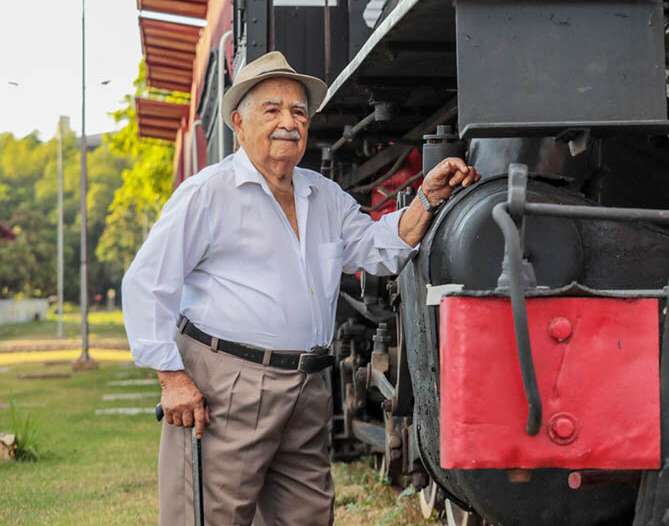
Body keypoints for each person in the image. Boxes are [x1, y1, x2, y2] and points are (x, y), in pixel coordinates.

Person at [122, 51, 479, 525]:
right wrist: (172, 378)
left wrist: (428, 199)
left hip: (307, 388)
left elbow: (378, 248)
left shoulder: (322, 195)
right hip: (227, 386)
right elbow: (147, 283)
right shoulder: (209, 193)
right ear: (238, 122)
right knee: (210, 517)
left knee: (307, 517)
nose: (288, 123)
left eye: (298, 112)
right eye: (272, 110)